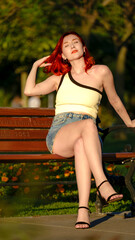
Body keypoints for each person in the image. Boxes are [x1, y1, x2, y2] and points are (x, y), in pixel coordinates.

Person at [24, 31, 135, 229]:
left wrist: (129, 122)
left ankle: (83, 210)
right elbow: (29, 91)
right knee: (87, 125)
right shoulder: (59, 78)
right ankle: (102, 182)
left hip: (88, 135)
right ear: (63, 55)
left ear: (84, 49)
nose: (72, 45)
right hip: (61, 133)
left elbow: (115, 100)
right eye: (66, 44)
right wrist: (34, 65)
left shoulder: (101, 72)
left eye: (76, 42)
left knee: (85, 138)